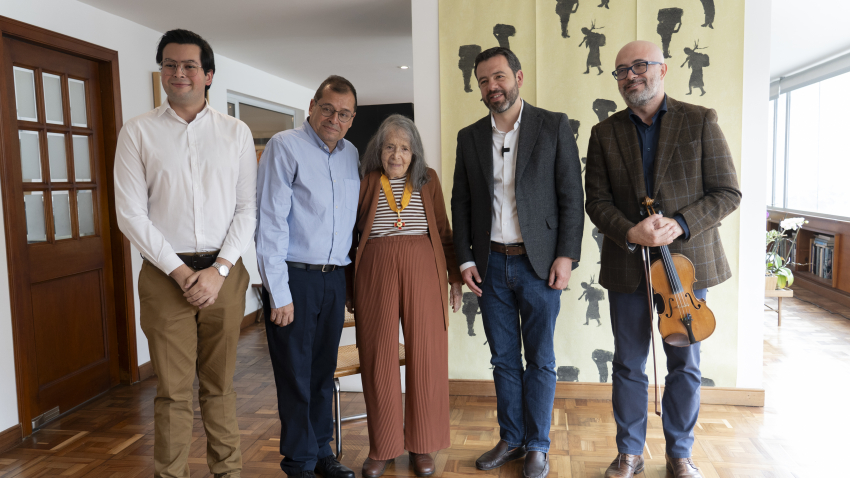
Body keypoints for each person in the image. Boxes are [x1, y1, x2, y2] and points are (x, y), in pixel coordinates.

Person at [585, 41, 741, 478]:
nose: (631, 76)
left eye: (640, 66)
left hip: (686, 268)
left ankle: (680, 454)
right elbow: (596, 201)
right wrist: (629, 231)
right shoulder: (604, 132)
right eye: (622, 70)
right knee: (628, 362)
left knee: (684, 363)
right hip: (628, 264)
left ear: (663, 69)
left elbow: (728, 192)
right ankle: (630, 452)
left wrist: (682, 223)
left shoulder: (700, 120)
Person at [114, 29, 256, 478]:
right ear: (161, 71)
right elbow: (130, 215)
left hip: (224, 273)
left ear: (208, 75)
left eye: (189, 65)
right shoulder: (137, 132)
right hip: (164, 276)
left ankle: (228, 472)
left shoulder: (235, 132)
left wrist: (219, 269)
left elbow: (247, 209)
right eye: (170, 64)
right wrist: (179, 272)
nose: (179, 73)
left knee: (219, 386)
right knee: (173, 392)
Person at [451, 46, 584, 478]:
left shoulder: (553, 125)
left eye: (499, 77)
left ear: (518, 77)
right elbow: (461, 202)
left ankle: (538, 446)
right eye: (484, 81)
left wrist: (566, 255)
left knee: (540, 359)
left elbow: (572, 196)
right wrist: (465, 259)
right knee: (503, 359)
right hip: (490, 266)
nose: (492, 86)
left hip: (539, 265)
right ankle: (512, 439)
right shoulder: (469, 136)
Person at [347, 115, 462, 478]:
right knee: (378, 357)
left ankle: (422, 445)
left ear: (415, 153)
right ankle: (382, 447)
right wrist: (349, 286)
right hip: (375, 270)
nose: (396, 155)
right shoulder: (366, 180)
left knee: (426, 356)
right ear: (378, 150)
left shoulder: (428, 180)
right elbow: (349, 236)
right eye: (389, 147)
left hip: (424, 269)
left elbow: (443, 231)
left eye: (404, 148)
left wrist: (454, 278)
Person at [256, 76, 360, 478]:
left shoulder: (351, 154)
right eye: (328, 109)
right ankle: (298, 463)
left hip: (334, 279)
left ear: (352, 118)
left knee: (321, 372)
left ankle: (321, 453)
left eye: (344, 113)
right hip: (294, 279)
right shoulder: (284, 146)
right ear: (312, 105)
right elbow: (270, 222)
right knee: (295, 375)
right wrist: (278, 292)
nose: (334, 118)